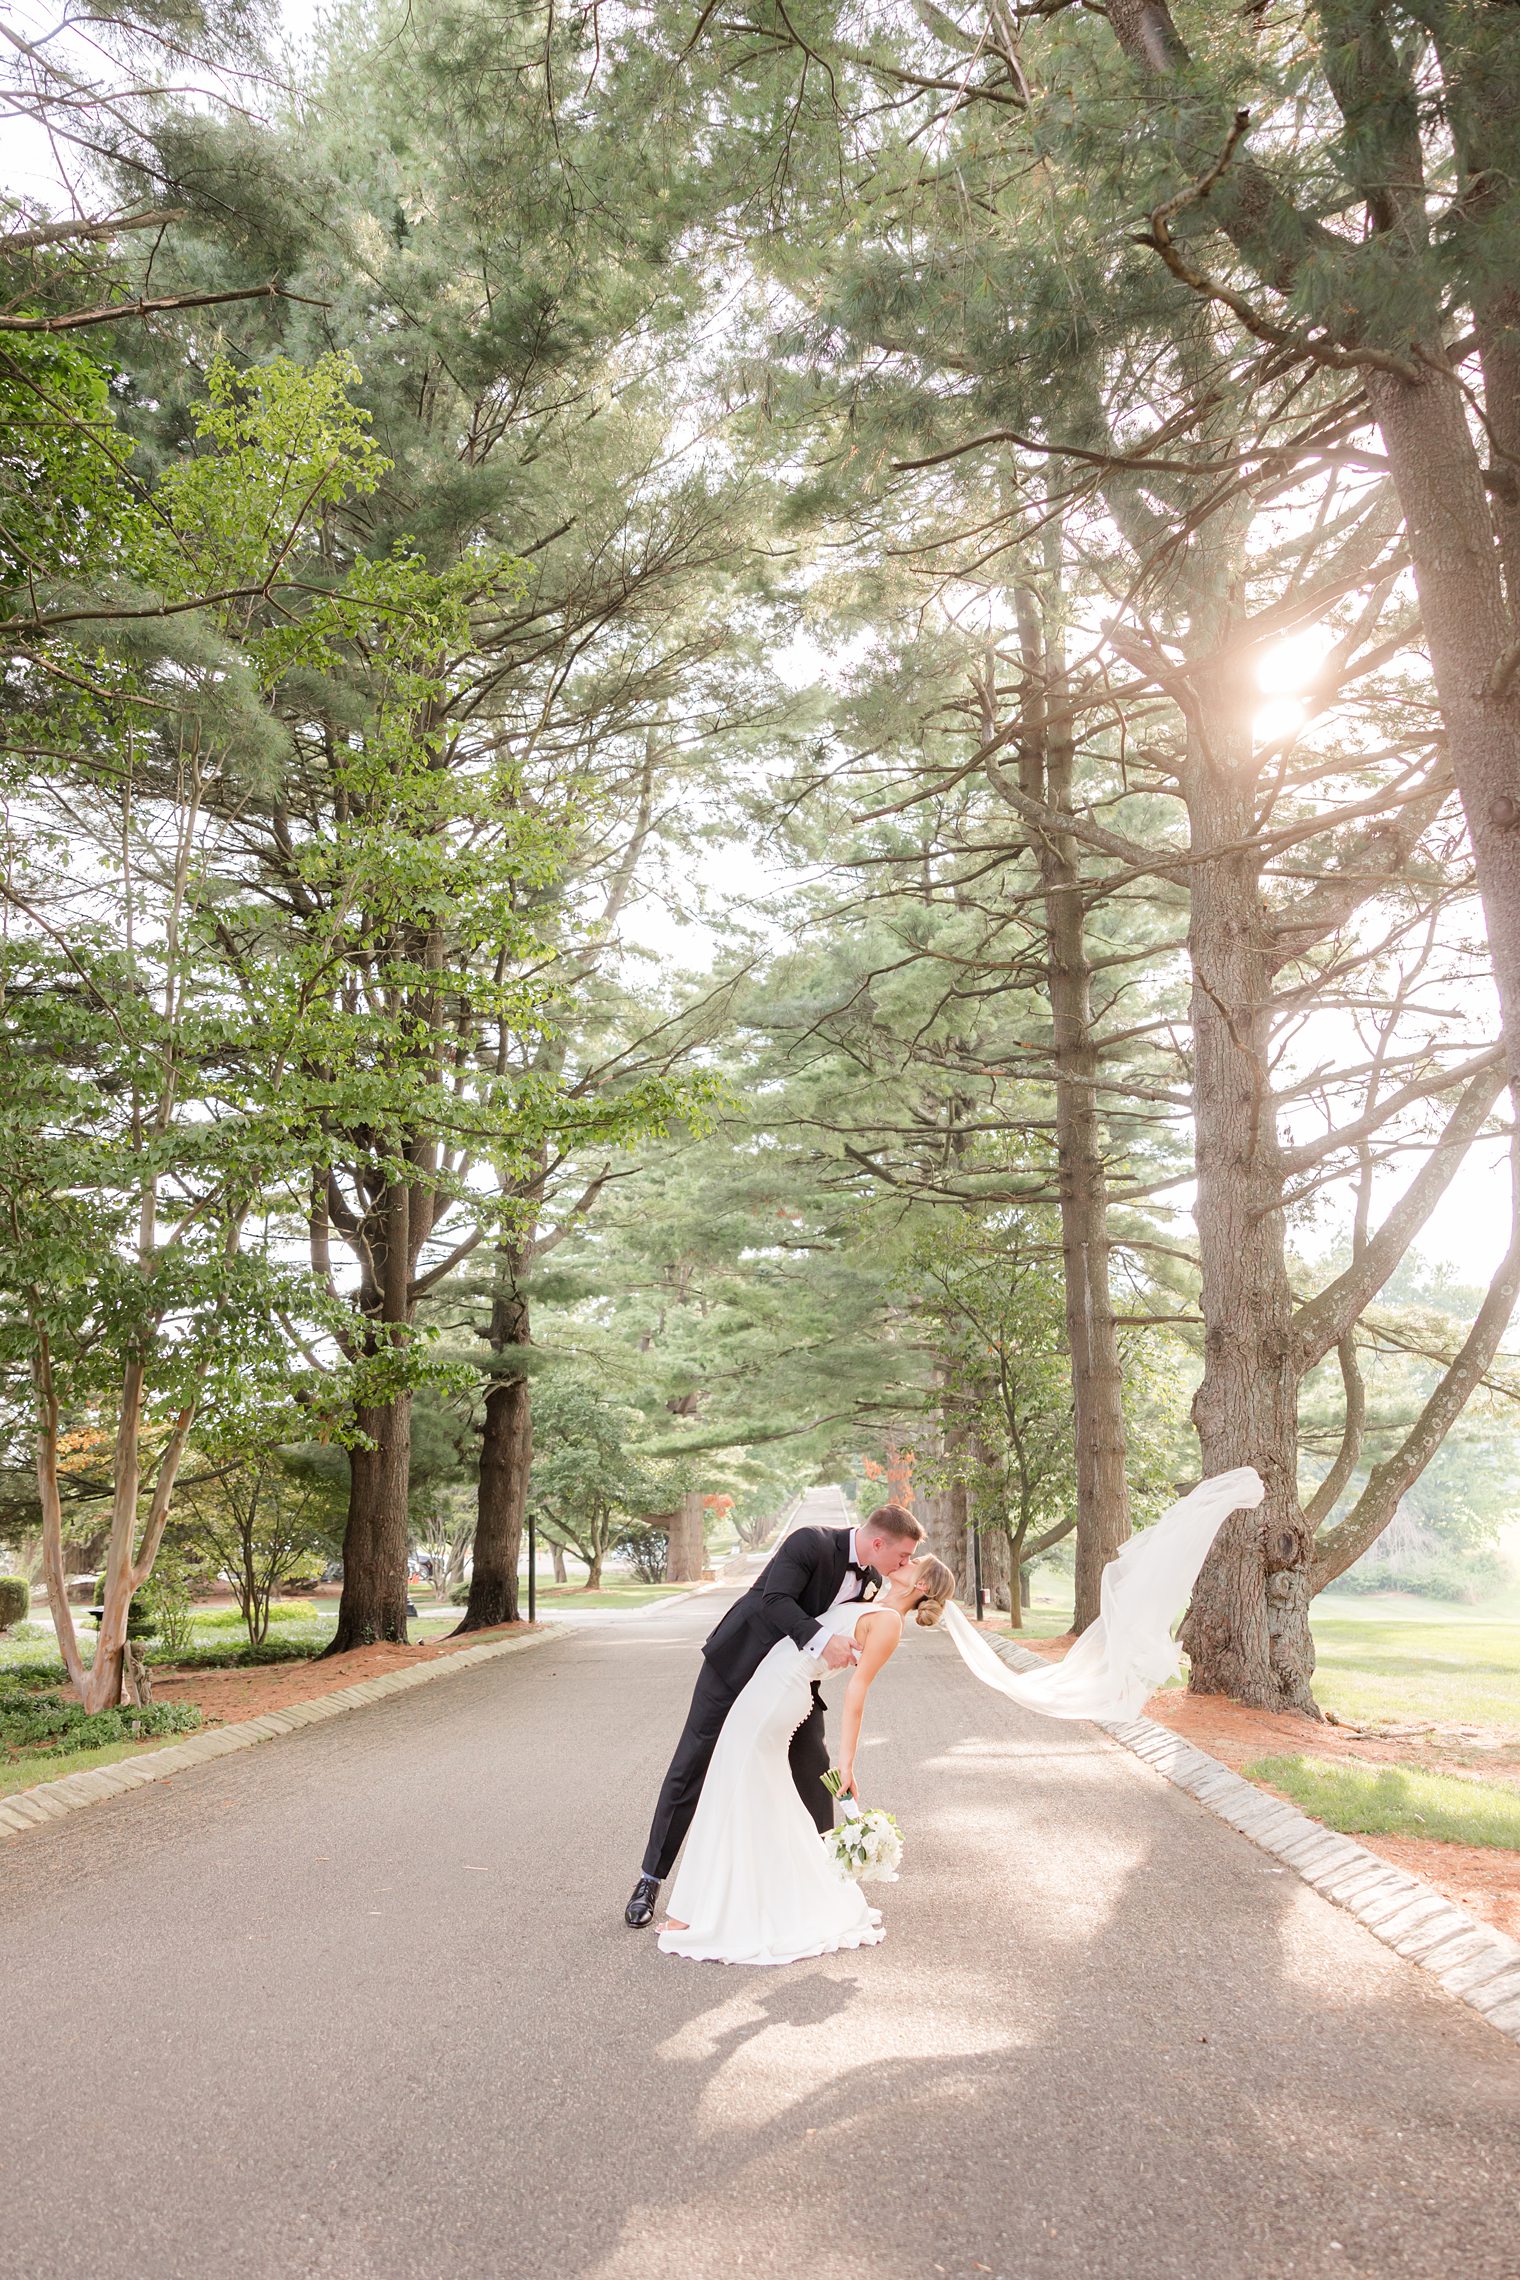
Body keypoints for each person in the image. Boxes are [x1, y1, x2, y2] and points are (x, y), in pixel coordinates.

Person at [623, 1502, 925, 1931]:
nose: (905, 1564)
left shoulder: (872, 1579)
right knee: (691, 1766)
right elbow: (775, 1600)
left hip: (790, 1686)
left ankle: (823, 1879)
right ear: (878, 1542)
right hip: (738, 1665)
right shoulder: (811, 1542)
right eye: (904, 1555)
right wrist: (823, 1641)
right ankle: (650, 1880)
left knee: (815, 1772)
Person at [657, 1552, 957, 1966]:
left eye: (912, 1562)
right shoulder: (873, 1599)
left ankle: (703, 1912)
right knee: (755, 1791)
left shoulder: (888, 1624)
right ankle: (722, 1903)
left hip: (781, 1693)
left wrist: (847, 1764)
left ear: (920, 1586)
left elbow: (856, 1694)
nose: (903, 1561)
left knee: (735, 1785)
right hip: (766, 1685)